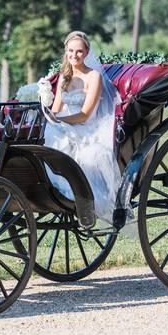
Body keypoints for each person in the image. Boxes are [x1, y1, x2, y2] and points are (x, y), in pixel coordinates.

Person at [41, 31, 124, 225]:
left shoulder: (93, 76)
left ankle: (73, 193)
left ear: (86, 52)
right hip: (65, 123)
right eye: (71, 51)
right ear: (66, 51)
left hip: (86, 127)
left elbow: (85, 114)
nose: (74, 55)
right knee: (46, 132)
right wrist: (47, 106)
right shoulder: (64, 76)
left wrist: (61, 122)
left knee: (57, 135)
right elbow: (56, 110)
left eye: (79, 51)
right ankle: (46, 186)